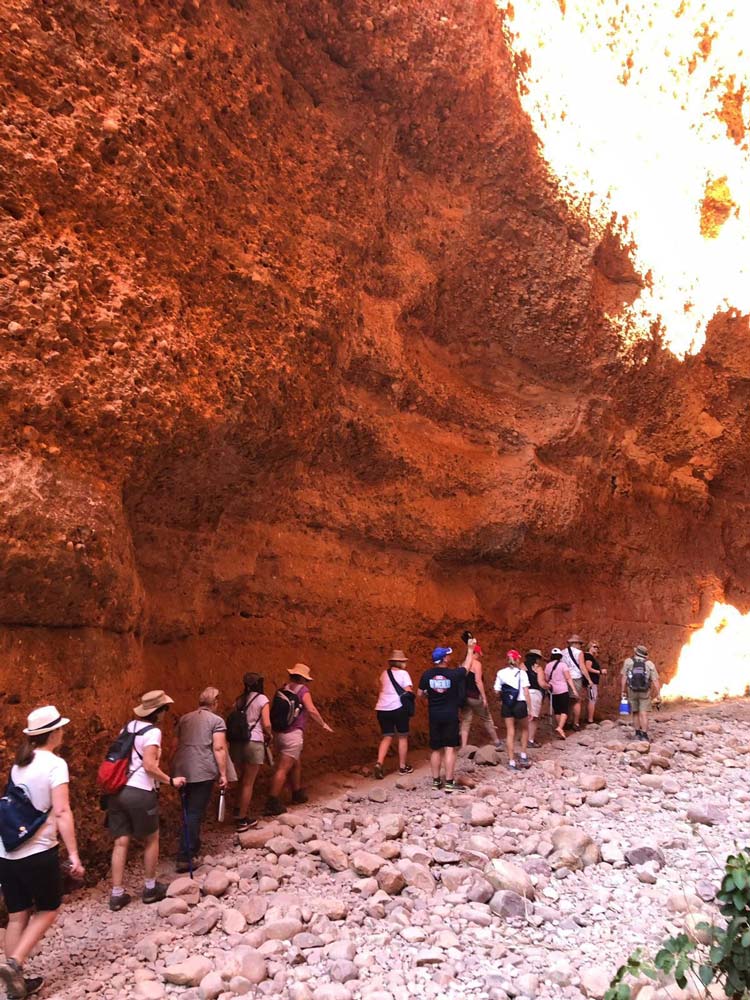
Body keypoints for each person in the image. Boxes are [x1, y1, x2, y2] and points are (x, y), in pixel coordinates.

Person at [0, 706, 85, 999]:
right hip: (38, 851)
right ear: (54, 733)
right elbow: (62, 811)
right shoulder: (55, 764)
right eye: (60, 728)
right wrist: (73, 854)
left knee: (17, 914)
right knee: (49, 907)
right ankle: (14, 964)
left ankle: (16, 985)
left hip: (7, 852)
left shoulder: (18, 764)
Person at [107, 690, 186, 911]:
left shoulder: (128, 727)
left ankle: (116, 894)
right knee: (152, 838)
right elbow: (149, 766)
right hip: (140, 791)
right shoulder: (152, 733)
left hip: (118, 791)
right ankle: (150, 888)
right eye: (165, 710)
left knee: (121, 841)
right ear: (158, 712)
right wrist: (170, 780)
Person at [172, 687, 229, 872]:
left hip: (181, 769)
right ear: (215, 703)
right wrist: (223, 773)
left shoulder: (184, 719)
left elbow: (174, 745)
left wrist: (172, 769)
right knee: (195, 811)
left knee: (188, 809)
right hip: (202, 770)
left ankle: (192, 844)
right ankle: (185, 855)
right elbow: (219, 748)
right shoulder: (216, 721)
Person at [265, 664, 333, 816]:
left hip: (279, 733)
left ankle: (297, 793)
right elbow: (311, 709)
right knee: (283, 768)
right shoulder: (303, 690)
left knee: (296, 763)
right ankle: (272, 801)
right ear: (302, 678)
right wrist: (323, 724)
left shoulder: (282, 689)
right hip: (293, 734)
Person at [418, 641, 473, 793]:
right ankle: (449, 782)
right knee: (450, 748)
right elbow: (467, 667)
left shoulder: (427, 675)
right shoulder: (453, 674)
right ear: (444, 659)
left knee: (436, 749)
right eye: (448, 655)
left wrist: (431, 694)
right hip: (450, 715)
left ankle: (436, 782)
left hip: (434, 715)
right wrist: (470, 649)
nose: (449, 657)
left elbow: (420, 694)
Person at [228, 673, 272, 833]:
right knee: (249, 782)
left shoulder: (239, 699)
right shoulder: (262, 699)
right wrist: (270, 734)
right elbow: (266, 723)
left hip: (238, 742)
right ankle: (242, 818)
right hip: (254, 741)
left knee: (241, 779)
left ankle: (236, 808)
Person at [374, 650, 415, 779]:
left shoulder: (384, 674)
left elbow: (381, 689)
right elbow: (408, 691)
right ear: (401, 662)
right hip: (398, 708)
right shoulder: (404, 674)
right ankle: (402, 767)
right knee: (402, 737)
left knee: (387, 737)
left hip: (382, 708)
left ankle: (379, 763)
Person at [494, 650, 532, 770]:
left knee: (510, 732)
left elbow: (496, 690)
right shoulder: (522, 673)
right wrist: (530, 708)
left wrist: (504, 697)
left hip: (507, 704)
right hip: (520, 703)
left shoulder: (500, 673)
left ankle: (511, 762)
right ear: (517, 660)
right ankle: (523, 755)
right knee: (525, 728)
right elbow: (526, 692)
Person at [460, 642, 502, 750]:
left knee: (466, 721)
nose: (479, 656)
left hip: (465, 697)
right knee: (487, 718)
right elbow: (478, 681)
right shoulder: (477, 664)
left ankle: (464, 746)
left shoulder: (463, 664)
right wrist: (484, 697)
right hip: (475, 696)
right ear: (475, 653)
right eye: (478, 653)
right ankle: (496, 741)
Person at [621, 644, 660, 742]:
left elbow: (624, 677)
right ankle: (644, 735)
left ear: (635, 652)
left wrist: (623, 690)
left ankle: (637, 733)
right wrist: (658, 693)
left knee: (635, 712)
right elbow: (655, 680)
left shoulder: (628, 662)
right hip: (645, 692)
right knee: (644, 713)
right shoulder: (649, 664)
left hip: (632, 690)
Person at [559, 635, 593, 730]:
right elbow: (582, 667)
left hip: (565, 678)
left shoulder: (562, 652)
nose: (580, 646)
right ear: (576, 643)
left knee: (567, 701)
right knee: (576, 700)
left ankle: (566, 722)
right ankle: (576, 723)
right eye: (579, 644)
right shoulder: (579, 653)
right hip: (576, 677)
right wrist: (589, 679)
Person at [545, 648, 577, 739]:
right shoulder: (563, 665)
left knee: (557, 711)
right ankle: (560, 727)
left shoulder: (547, 666)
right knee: (564, 710)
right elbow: (568, 678)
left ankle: (560, 729)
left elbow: (546, 679)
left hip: (552, 691)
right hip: (562, 690)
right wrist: (574, 690)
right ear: (560, 656)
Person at [524, 649, 548, 747]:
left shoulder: (521, 666)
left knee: (524, 717)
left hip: (522, 693)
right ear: (537, 659)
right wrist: (549, 685)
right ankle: (530, 740)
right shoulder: (538, 668)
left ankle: (523, 738)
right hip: (533, 693)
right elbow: (541, 683)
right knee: (533, 718)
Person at [584, 641, 607, 723]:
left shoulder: (590, 656)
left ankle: (590, 718)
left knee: (592, 699)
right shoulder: (588, 656)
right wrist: (600, 671)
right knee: (592, 699)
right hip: (591, 681)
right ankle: (590, 720)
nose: (596, 648)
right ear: (589, 646)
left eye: (597, 647)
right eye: (594, 646)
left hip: (592, 681)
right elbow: (588, 668)